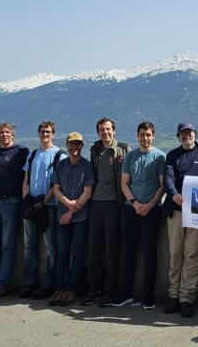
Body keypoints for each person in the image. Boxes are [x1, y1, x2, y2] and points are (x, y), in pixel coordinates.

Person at [112, 122, 166, 309]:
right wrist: (135, 204)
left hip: (152, 210)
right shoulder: (131, 156)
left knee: (150, 253)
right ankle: (125, 294)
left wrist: (150, 205)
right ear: (137, 136)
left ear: (153, 136)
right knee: (128, 252)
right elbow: (125, 183)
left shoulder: (160, 157)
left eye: (148, 135)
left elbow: (162, 185)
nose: (145, 138)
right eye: (142, 134)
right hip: (130, 209)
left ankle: (148, 296)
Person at [162, 122, 198, 318]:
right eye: (182, 133)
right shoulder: (173, 155)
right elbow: (168, 178)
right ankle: (173, 295)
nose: (186, 136)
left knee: (192, 254)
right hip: (176, 211)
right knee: (175, 253)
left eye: (189, 132)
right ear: (178, 136)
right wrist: (174, 194)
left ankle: (186, 298)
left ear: (195, 134)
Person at [0, 122, 30, 299]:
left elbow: (27, 175)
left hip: (12, 202)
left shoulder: (22, 151)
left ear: (13, 134)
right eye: (1, 133)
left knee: (8, 245)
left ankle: (2, 283)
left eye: (7, 132)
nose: (4, 135)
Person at [50, 132, 95, 306]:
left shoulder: (87, 166)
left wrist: (71, 211)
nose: (75, 147)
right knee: (61, 253)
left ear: (82, 146)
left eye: (78, 144)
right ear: (67, 145)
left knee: (77, 253)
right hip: (63, 215)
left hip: (79, 218)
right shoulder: (61, 165)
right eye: (72, 144)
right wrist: (68, 204)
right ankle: (60, 288)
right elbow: (56, 189)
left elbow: (88, 193)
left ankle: (72, 289)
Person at [22, 122, 65, 299]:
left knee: (50, 247)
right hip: (31, 205)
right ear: (38, 133)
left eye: (48, 132)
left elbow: (58, 183)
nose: (45, 134)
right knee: (29, 245)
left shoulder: (59, 155)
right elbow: (26, 179)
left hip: (50, 206)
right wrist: (27, 200)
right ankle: (29, 282)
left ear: (53, 134)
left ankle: (49, 283)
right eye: (42, 132)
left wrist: (44, 202)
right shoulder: (33, 154)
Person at [91, 118, 130, 307]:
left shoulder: (123, 149)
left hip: (114, 204)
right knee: (95, 248)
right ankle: (94, 290)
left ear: (114, 131)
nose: (105, 132)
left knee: (112, 249)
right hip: (95, 204)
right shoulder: (95, 150)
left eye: (108, 129)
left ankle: (110, 291)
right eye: (101, 130)